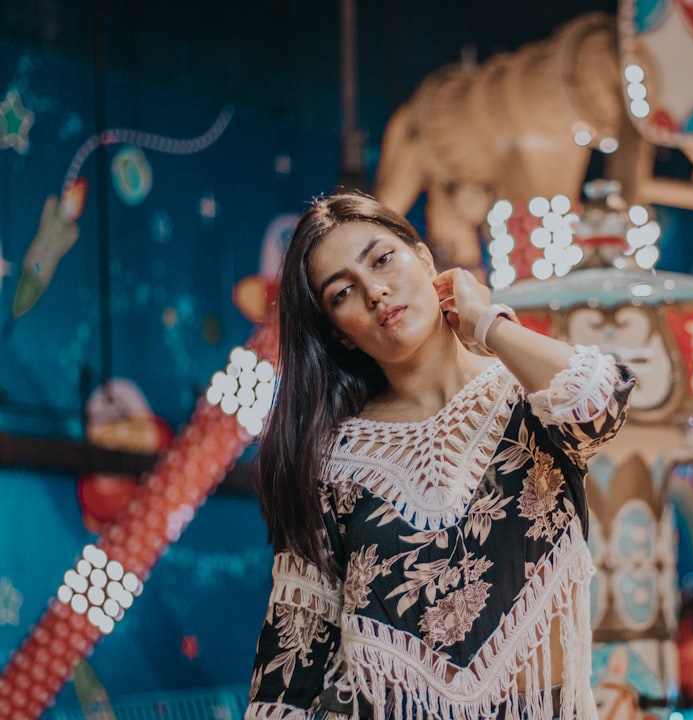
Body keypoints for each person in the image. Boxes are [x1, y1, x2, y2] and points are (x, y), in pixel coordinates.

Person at [245, 190, 636, 720]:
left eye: (383, 259)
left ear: (426, 259)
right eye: (344, 294)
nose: (376, 292)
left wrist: (486, 322)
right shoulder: (332, 460)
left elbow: (600, 401)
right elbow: (292, 661)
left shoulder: (530, 398)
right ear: (342, 335)